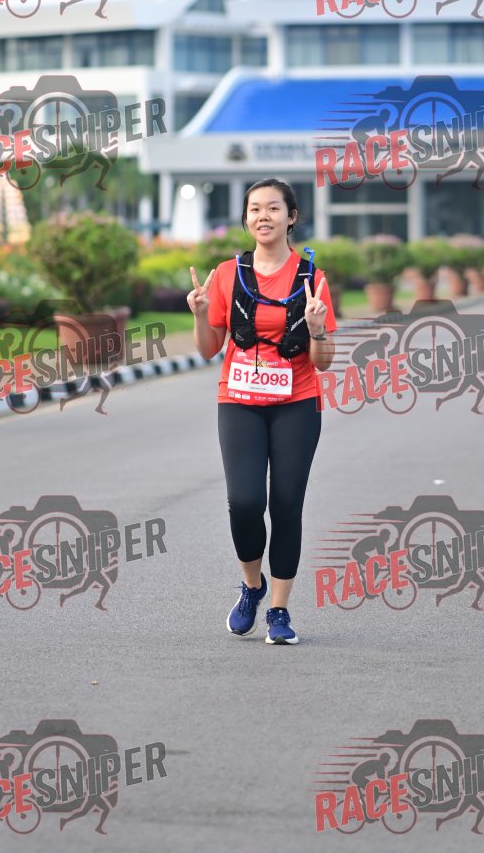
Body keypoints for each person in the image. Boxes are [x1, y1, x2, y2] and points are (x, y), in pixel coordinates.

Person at [187, 178, 337, 646]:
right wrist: (200, 313)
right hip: (239, 403)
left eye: (274, 208)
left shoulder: (311, 279)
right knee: (246, 501)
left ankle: (278, 608)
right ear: (246, 218)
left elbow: (323, 361)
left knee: (286, 505)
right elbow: (209, 348)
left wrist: (317, 328)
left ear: (292, 217)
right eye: (255, 209)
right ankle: (251, 586)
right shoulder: (226, 275)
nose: (263, 216)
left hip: (297, 403)